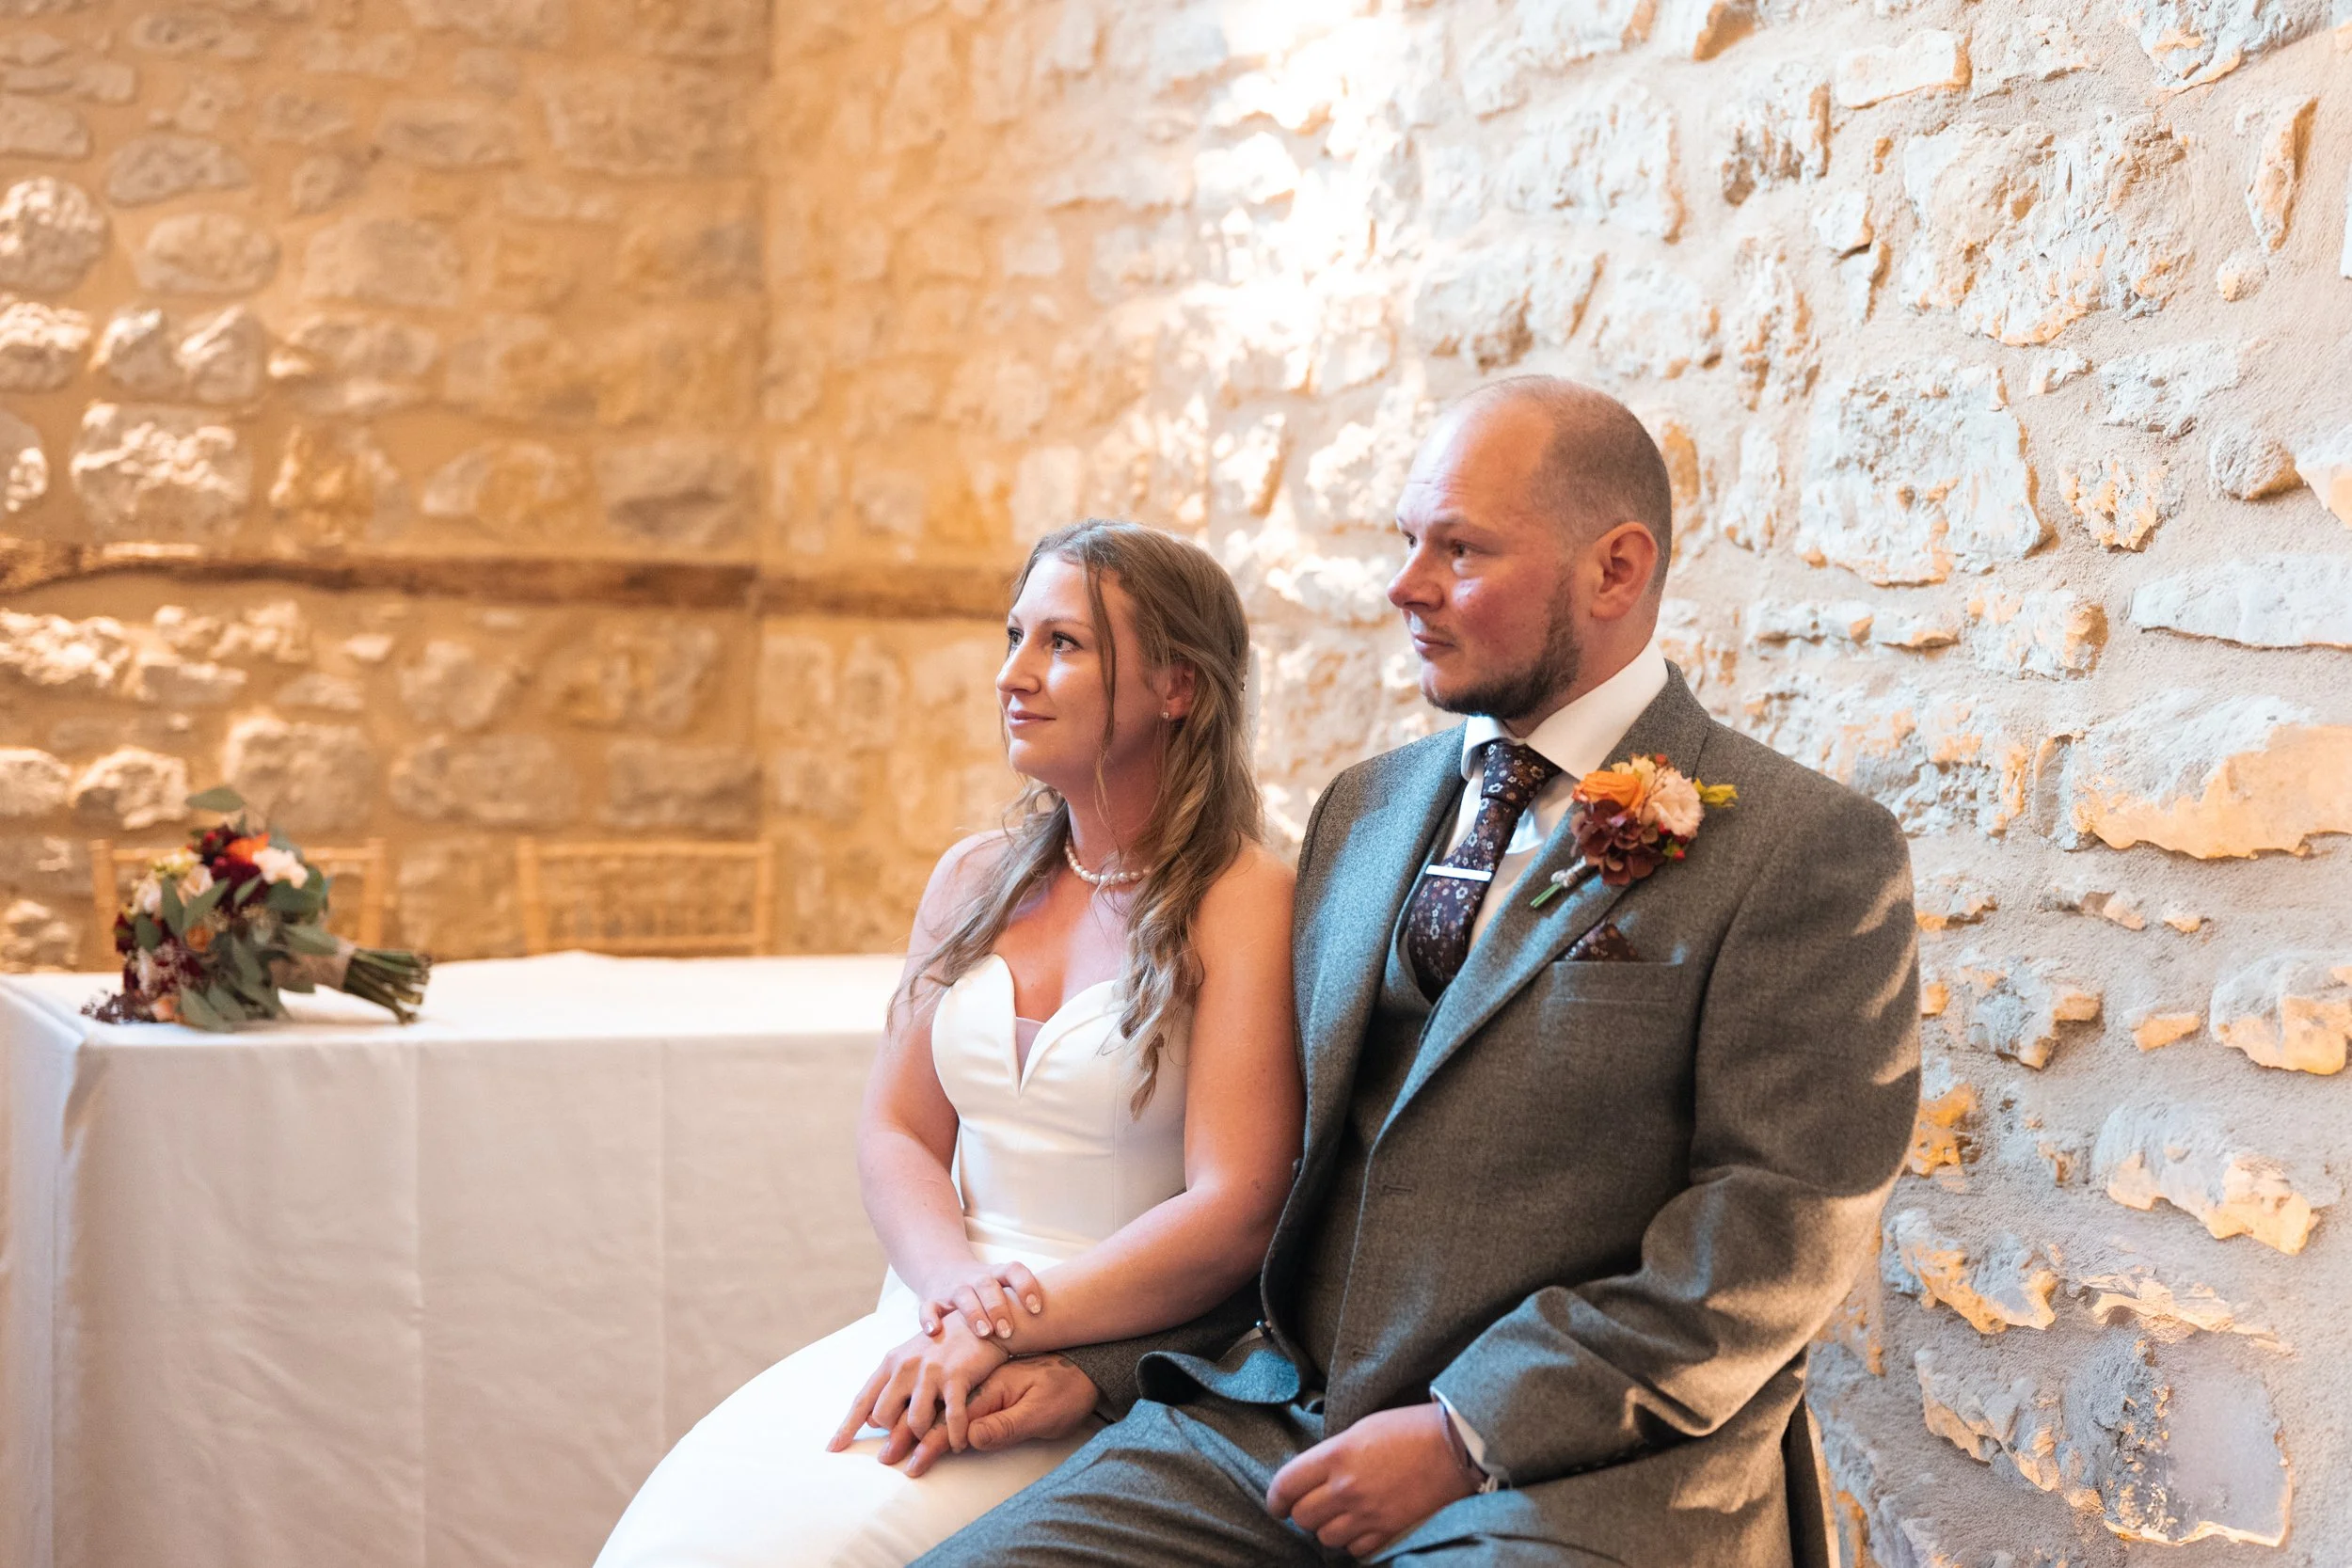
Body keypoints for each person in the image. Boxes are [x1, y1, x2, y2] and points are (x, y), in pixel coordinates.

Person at [911, 376, 1923, 1567]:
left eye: (1459, 548)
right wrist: (1094, 1370)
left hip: (1578, 1479)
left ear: (1615, 568)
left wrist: (1463, 1432)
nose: (1405, 585)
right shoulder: (1365, 807)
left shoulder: (1804, 849)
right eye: (1406, 541)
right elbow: (1289, 1183)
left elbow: (1770, 1241)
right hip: (1269, 1429)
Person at [594, 521, 1303, 1567]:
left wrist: (1010, 1324)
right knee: (685, 1535)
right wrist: (947, 1298)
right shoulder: (973, 877)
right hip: (924, 1319)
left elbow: (1233, 1207)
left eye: (1063, 643)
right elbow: (896, 1129)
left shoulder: (1245, 902)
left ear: (1177, 687)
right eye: (1014, 634)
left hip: (1095, 1352)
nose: (1013, 674)